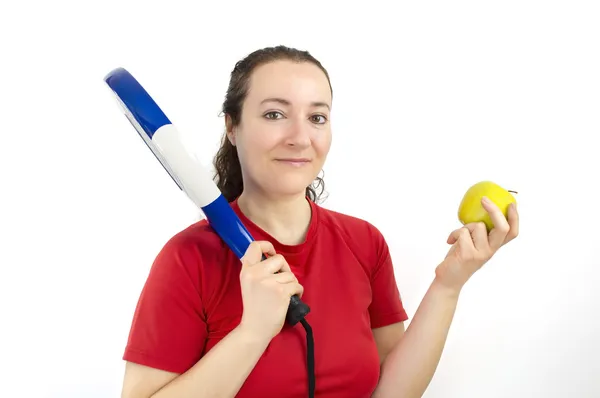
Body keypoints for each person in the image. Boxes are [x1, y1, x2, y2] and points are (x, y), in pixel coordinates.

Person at [120, 45, 519, 398]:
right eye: (275, 114)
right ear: (232, 127)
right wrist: (253, 332)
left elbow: (391, 392)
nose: (299, 137)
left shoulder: (364, 243)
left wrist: (449, 285)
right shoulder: (188, 258)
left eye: (317, 117)